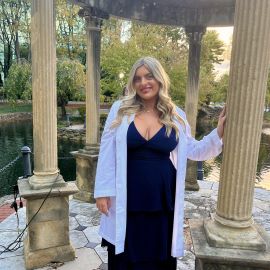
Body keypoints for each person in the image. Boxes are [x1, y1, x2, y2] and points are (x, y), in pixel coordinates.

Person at [94, 56, 226, 270]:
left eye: (149, 76)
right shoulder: (120, 110)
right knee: (125, 253)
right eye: (137, 78)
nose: (143, 83)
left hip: (163, 198)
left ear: (159, 79)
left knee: (158, 254)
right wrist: (102, 192)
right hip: (127, 196)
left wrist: (218, 133)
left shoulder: (176, 116)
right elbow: (106, 151)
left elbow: (194, 150)